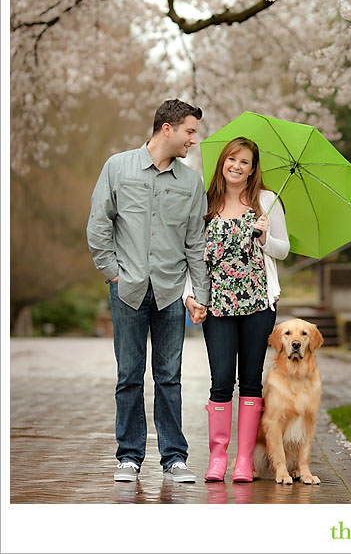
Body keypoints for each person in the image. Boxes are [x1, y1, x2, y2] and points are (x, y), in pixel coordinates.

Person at [87, 99, 209, 483]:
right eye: (190, 131)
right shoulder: (117, 167)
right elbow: (98, 226)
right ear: (167, 129)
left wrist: (200, 294)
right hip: (128, 290)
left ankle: (174, 457)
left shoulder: (191, 182)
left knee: (170, 376)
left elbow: (195, 244)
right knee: (129, 375)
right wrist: (113, 274)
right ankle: (129, 457)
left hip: (172, 292)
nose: (194, 139)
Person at [190, 136, 290, 482]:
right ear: (222, 162)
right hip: (218, 305)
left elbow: (284, 249)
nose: (236, 166)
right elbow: (192, 257)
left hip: (257, 304)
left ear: (252, 169)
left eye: (244, 162)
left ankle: (243, 461)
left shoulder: (267, 201)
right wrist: (192, 296)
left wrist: (265, 238)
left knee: (250, 381)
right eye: (231, 159)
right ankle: (218, 458)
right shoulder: (206, 202)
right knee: (220, 382)